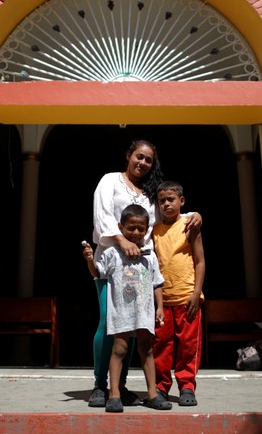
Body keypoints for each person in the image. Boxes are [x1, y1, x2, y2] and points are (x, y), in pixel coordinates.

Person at [83, 139, 201, 408]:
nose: (143, 163)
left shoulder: (149, 192)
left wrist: (196, 214)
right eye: (139, 156)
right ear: (128, 155)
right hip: (111, 264)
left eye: (148, 160)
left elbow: (167, 214)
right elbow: (101, 216)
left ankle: (121, 387)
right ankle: (100, 385)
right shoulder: (110, 181)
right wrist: (122, 241)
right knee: (108, 324)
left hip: (140, 268)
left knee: (135, 331)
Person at [83, 205, 172, 413]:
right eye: (131, 228)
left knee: (147, 350)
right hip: (122, 313)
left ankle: (152, 393)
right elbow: (98, 272)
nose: (136, 233)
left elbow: (157, 283)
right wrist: (89, 259)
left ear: (147, 229)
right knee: (119, 349)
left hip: (145, 313)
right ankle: (114, 394)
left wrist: (160, 307)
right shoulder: (113, 253)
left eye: (141, 229)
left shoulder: (149, 256)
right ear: (121, 227)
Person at [152, 180, 205, 407]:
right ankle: (161, 387)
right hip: (163, 301)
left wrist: (196, 293)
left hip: (186, 298)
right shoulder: (154, 231)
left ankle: (187, 386)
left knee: (188, 345)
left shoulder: (189, 226)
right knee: (161, 345)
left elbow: (200, 262)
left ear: (181, 201)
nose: (166, 204)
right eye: (162, 200)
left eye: (171, 199)